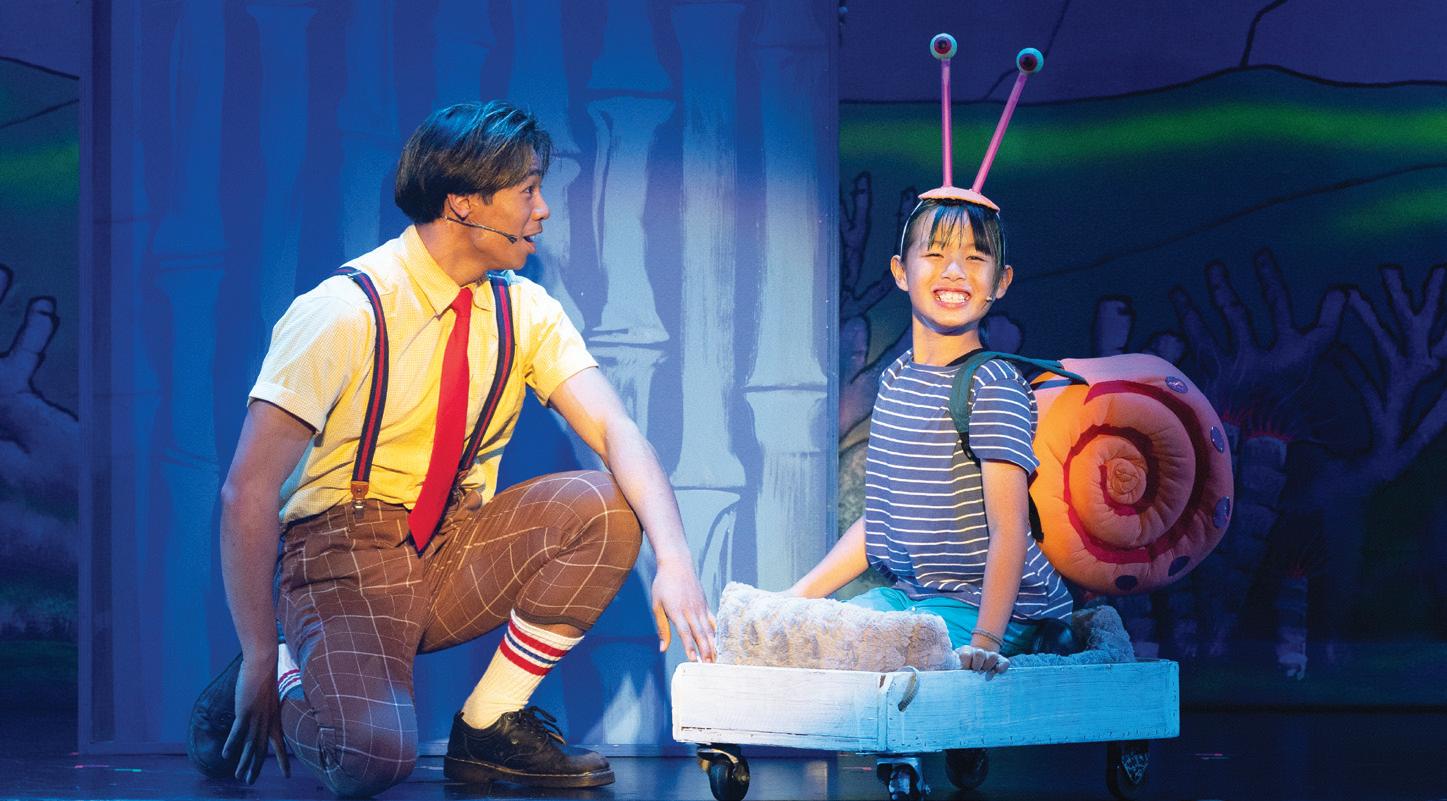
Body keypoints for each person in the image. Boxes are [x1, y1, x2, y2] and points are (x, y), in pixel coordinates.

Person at [186, 100, 716, 797]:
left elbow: (618, 430)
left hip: (452, 540)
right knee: (372, 759)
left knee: (608, 506)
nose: (543, 211)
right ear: (464, 203)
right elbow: (247, 491)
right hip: (344, 558)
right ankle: (286, 663)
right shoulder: (343, 311)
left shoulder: (523, 310)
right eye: (527, 190)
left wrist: (674, 559)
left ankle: (489, 722)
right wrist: (258, 653)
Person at [787, 198, 1072, 675]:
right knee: (819, 635)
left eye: (975, 258)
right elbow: (879, 521)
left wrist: (986, 641)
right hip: (914, 598)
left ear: (1000, 282)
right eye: (936, 254)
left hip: (995, 610)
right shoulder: (897, 379)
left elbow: (1009, 529)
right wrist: (796, 598)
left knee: (868, 654)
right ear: (901, 271)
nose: (955, 271)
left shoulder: (992, 384)